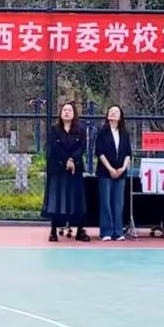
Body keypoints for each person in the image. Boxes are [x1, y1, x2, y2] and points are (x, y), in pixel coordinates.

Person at [43, 102, 88, 241]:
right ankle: (53, 231)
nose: (66, 112)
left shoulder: (80, 130)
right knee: (57, 199)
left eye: (69, 110)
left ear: (74, 113)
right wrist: (66, 161)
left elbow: (82, 147)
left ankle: (80, 230)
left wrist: (73, 160)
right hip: (58, 169)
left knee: (77, 198)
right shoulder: (54, 130)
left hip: (76, 169)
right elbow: (54, 148)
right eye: (64, 110)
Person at [95, 104, 132, 241]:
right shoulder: (102, 132)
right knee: (106, 202)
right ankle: (106, 231)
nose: (113, 113)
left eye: (116, 111)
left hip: (121, 172)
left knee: (118, 203)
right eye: (110, 111)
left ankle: (118, 231)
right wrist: (110, 169)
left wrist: (123, 167)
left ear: (121, 116)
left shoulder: (125, 133)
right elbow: (99, 152)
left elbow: (128, 153)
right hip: (105, 172)